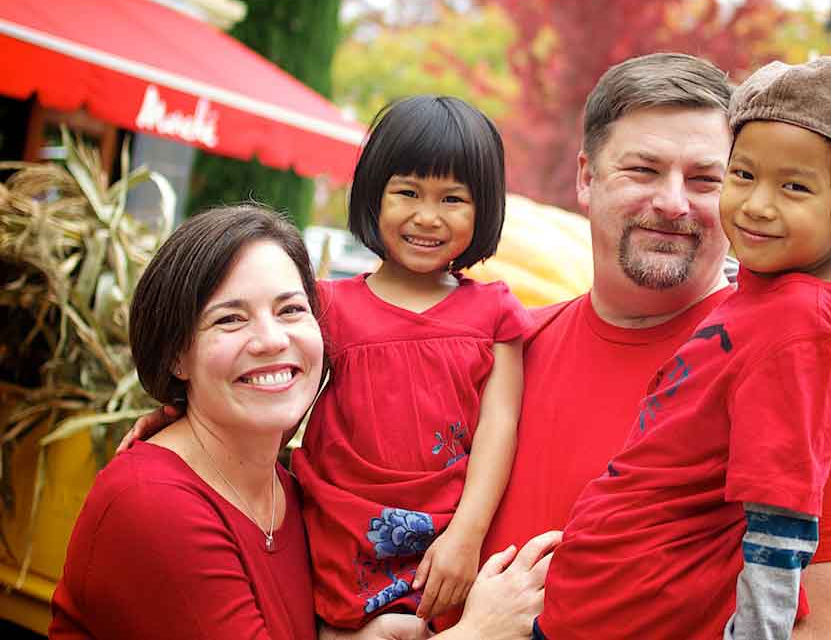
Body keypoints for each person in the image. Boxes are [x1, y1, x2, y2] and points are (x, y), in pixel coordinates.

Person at [469, 53, 831, 639]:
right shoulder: (507, 351)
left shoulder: (791, 369)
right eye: (643, 169)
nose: (673, 202)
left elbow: (829, 631)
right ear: (586, 177)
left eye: (707, 179)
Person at [52, 204, 555, 640]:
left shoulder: (292, 494)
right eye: (230, 318)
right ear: (176, 355)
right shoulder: (153, 504)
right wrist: (477, 633)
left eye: (291, 309)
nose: (272, 339)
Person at [290, 95, 531, 631]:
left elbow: (500, 426)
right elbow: (275, 398)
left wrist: (466, 536)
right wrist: (187, 423)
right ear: (374, 194)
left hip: (447, 542)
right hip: (336, 537)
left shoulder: (494, 312)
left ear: (484, 207)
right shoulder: (326, 306)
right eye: (407, 192)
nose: (428, 216)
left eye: (453, 198)